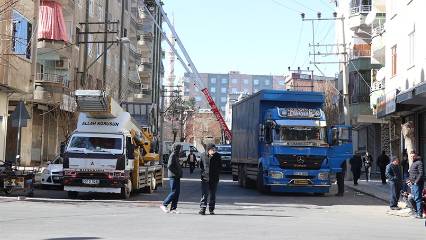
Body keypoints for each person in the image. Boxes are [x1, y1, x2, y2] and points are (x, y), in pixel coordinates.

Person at [199, 144, 222, 215]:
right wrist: (203, 173)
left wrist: (216, 173)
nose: (214, 151)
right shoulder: (203, 155)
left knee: (212, 194)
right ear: (208, 150)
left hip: (214, 178)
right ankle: (202, 209)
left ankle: (211, 209)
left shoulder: (217, 156)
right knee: (204, 194)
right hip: (205, 178)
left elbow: (220, 166)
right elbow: (201, 166)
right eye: (213, 150)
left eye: (215, 150)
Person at [160, 144, 183, 214]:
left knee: (177, 192)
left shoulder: (176, 155)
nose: (181, 150)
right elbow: (169, 166)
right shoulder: (173, 155)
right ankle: (164, 204)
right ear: (177, 149)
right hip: (173, 176)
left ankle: (173, 208)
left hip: (177, 176)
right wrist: (176, 172)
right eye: (180, 148)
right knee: (174, 191)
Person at [408, 151, 424, 218]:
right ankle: (417, 212)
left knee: (418, 199)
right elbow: (413, 173)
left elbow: (421, 173)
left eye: (413, 156)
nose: (412, 157)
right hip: (413, 183)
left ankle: (419, 214)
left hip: (417, 184)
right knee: (413, 198)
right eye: (411, 156)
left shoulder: (419, 162)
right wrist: (409, 181)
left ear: (416, 156)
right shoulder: (413, 163)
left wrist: (416, 182)